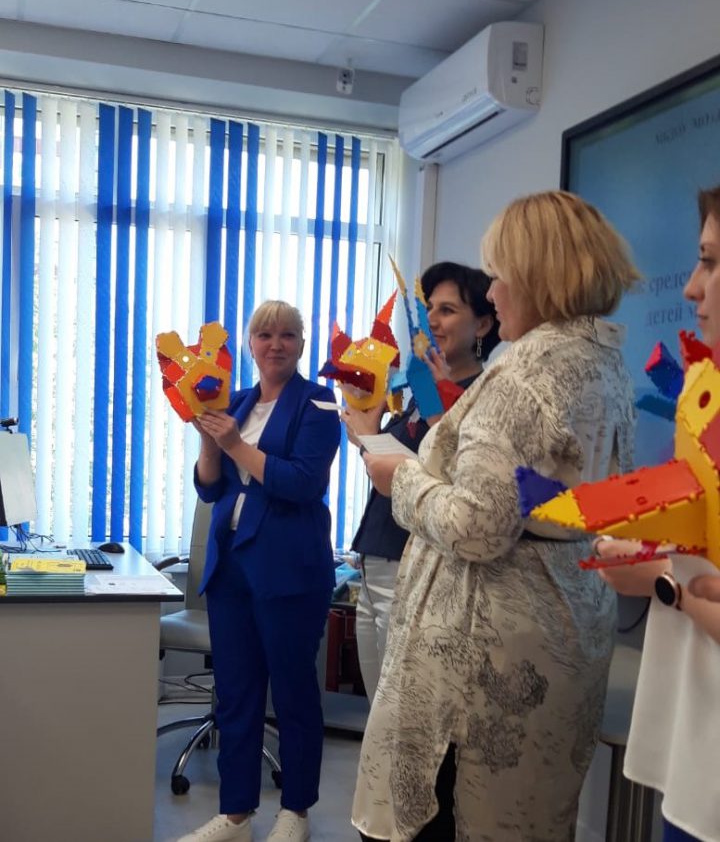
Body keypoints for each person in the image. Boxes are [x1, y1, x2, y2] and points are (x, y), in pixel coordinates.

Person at [351, 190, 641, 842]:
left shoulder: (522, 378)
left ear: (537, 276)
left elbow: (478, 525)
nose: (493, 291)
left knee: (449, 817)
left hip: (482, 662)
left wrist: (402, 481)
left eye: (499, 275)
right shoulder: (605, 367)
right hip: (562, 631)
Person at [178, 301, 340, 842]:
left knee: (293, 694)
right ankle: (236, 815)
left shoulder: (319, 404)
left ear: (301, 344)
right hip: (231, 569)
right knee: (236, 695)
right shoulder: (236, 402)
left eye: (288, 335)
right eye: (265, 335)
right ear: (249, 345)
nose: (276, 344)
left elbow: (301, 483)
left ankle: (296, 811)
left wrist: (234, 444)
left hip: (289, 570)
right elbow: (210, 487)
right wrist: (209, 441)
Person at [597, 184, 720, 842]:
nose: (692, 288)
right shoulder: (706, 393)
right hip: (692, 725)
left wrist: (662, 580)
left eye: (712, 262)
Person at [342, 261, 500, 704]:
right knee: (378, 710)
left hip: (418, 564)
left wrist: (371, 439)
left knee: (401, 708)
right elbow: (401, 470)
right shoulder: (419, 389)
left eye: (447, 310)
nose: (431, 320)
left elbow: (455, 478)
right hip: (377, 558)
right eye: (429, 308)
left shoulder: (482, 396)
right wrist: (367, 434)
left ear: (482, 324)